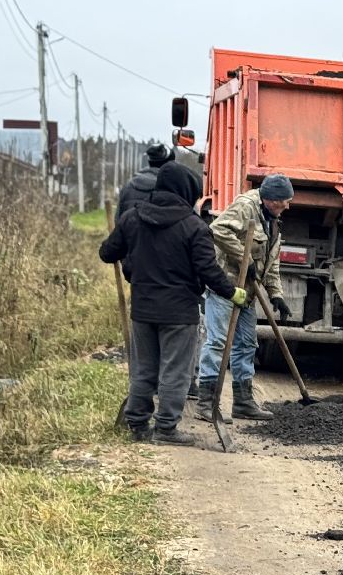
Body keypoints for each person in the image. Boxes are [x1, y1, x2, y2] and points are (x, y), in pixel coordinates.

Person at [99, 163, 246, 445]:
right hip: (179, 313)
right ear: (184, 191)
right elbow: (208, 269)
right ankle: (166, 429)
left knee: (143, 369)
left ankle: (138, 425)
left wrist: (130, 257)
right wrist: (232, 292)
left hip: (142, 310)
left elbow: (107, 253)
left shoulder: (133, 218)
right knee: (174, 372)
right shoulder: (194, 227)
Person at [195, 173, 294, 423]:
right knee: (218, 343)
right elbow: (217, 230)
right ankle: (207, 403)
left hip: (248, 292)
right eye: (283, 201)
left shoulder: (273, 220)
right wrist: (244, 257)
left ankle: (243, 402)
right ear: (270, 199)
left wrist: (276, 295)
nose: (287, 206)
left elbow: (272, 264)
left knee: (247, 345)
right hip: (227, 286)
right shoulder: (245, 206)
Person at [117, 143, 175, 217]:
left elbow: (119, 218)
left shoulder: (128, 186)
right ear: (170, 164)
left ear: (149, 161)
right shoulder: (172, 188)